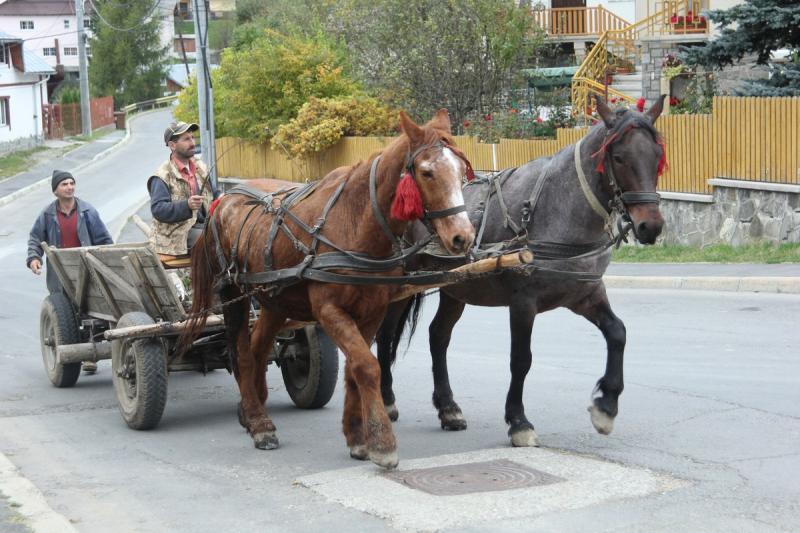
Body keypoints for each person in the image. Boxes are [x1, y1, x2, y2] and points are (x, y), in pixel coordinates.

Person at [27, 170, 113, 374]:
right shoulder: (47, 215)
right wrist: (34, 258)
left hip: (86, 270)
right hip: (60, 274)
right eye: (64, 184)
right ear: (55, 190)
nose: (70, 187)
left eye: (72, 183)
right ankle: (77, 351)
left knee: (91, 310)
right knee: (68, 315)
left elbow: (104, 240)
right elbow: (35, 239)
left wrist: (108, 260)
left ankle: (90, 357)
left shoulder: (87, 212)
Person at [147, 121, 218, 258]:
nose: (192, 142)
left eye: (192, 137)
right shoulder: (162, 175)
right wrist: (187, 205)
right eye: (186, 139)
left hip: (204, 225)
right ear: (172, 145)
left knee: (234, 233)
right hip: (175, 235)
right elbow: (158, 209)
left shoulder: (200, 166)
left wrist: (223, 197)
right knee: (213, 241)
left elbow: (214, 193)